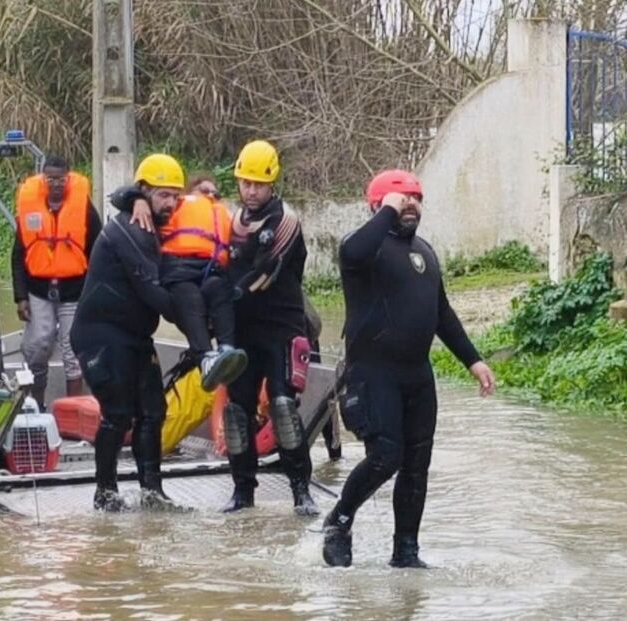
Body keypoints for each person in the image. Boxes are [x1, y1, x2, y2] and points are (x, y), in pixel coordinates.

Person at [321, 169, 496, 568]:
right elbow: (351, 253)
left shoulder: (426, 253)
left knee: (417, 465)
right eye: (402, 198)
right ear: (379, 204)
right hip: (372, 373)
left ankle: (405, 552)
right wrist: (386, 211)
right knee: (386, 456)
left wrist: (473, 360)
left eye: (417, 197)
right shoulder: (363, 249)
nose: (411, 203)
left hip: (416, 376)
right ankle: (339, 521)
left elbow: (442, 314)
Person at [70, 153, 186, 512]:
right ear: (145, 191)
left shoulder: (154, 222)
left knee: (154, 411)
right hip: (100, 334)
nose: (171, 203)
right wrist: (202, 334)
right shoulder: (130, 230)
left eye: (175, 196)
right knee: (118, 413)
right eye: (164, 195)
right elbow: (154, 292)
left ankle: (152, 492)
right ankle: (105, 492)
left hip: (134, 335)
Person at [221, 140, 318, 516]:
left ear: (272, 183)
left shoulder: (286, 222)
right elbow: (221, 267)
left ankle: (300, 490)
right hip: (244, 330)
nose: (251, 190)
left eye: (258, 184)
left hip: (282, 326)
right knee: (236, 412)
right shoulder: (233, 220)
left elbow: (264, 273)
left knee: (282, 407)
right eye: (246, 183)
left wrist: (229, 293)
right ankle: (243, 490)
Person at [119, 166, 247, 391]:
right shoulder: (173, 206)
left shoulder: (223, 213)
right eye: (204, 190)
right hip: (179, 267)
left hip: (211, 268)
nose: (209, 196)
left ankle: (227, 350)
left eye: (214, 193)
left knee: (220, 290)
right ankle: (204, 357)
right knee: (190, 297)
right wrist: (137, 200)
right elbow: (122, 197)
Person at [12, 156, 102, 408]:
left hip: (74, 291)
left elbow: (98, 249)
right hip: (38, 290)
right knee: (39, 344)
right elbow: (18, 254)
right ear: (42, 179)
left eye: (61, 179)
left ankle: (73, 411)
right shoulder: (30, 207)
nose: (56, 184)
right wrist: (20, 297)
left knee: (74, 349)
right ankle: (35, 404)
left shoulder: (83, 208)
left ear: (69, 178)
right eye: (50, 179)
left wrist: (94, 292)